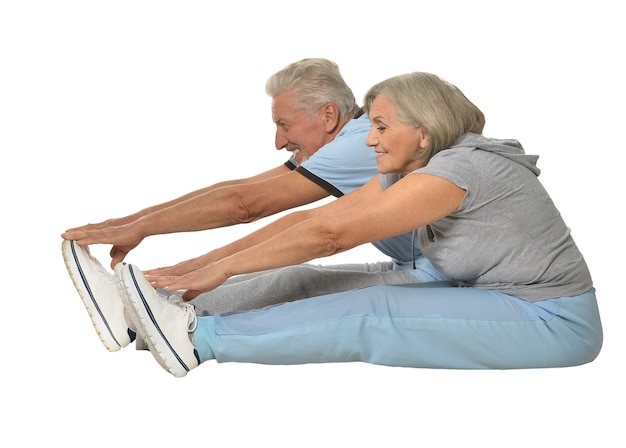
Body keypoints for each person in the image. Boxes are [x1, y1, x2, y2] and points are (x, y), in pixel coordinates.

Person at [105, 71, 603, 377]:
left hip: (549, 316)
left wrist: (213, 270)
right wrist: (187, 275)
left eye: (382, 127)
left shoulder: (459, 170)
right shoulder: (411, 170)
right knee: (304, 279)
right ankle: (151, 313)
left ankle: (195, 341)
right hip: (458, 280)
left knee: (373, 311)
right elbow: (321, 218)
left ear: (424, 132)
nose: (370, 140)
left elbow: (331, 237)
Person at [62, 58, 437, 353]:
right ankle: (142, 304)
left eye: (285, 125)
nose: (278, 141)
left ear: (327, 116)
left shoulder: (359, 145)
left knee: (297, 280)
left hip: (439, 273)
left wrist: (147, 234)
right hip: (416, 262)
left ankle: (135, 317)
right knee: (275, 274)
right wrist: (133, 222)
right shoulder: (344, 141)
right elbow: (243, 187)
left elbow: (246, 205)